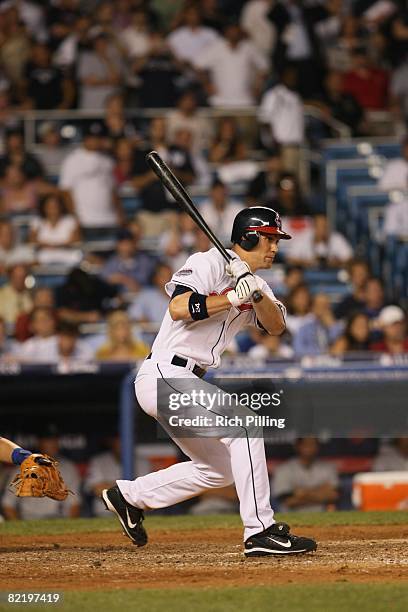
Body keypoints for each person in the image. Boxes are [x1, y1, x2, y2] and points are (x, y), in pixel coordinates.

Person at [101, 206, 317, 557]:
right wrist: (231, 296)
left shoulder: (256, 282)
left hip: (186, 380)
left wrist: (253, 292)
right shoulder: (207, 262)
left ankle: (128, 497)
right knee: (245, 426)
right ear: (248, 237)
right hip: (166, 373)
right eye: (269, 238)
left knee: (220, 469)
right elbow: (179, 307)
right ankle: (260, 530)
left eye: (277, 239)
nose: (275, 246)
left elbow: (276, 326)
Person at [2, 428, 81, 520]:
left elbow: (74, 504)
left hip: (58, 520)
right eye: (48, 440)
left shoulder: (68, 467)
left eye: (55, 440)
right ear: (39, 442)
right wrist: (19, 529)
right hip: (28, 519)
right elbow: (8, 505)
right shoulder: (22, 467)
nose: (52, 444)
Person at [59, 121, 124, 231]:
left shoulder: (108, 160)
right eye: (92, 137)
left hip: (108, 219)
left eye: (99, 138)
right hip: (85, 220)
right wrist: (74, 217)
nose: (96, 141)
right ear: (85, 138)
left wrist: (119, 213)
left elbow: (113, 190)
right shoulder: (72, 160)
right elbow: (65, 191)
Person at [194, 21, 269, 107]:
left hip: (246, 101)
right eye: (231, 31)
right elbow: (197, 65)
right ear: (226, 32)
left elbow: (264, 68)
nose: (234, 33)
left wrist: (258, 87)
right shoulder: (216, 47)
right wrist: (207, 85)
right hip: (219, 101)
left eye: (236, 31)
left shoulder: (249, 47)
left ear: (240, 32)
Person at [258, 65, 304, 177]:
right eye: (289, 76)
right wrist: (273, 148)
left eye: (294, 76)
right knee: (283, 181)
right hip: (281, 147)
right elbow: (264, 121)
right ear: (282, 77)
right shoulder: (273, 95)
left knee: (298, 183)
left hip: (298, 146)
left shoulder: (296, 96)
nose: (292, 78)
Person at [273, 438, 339, 512]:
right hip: (291, 516)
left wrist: (302, 493)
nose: (309, 447)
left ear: (318, 447)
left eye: (312, 444)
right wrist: (321, 492)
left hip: (322, 516)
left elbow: (334, 496)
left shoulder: (328, 467)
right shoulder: (283, 469)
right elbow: (288, 501)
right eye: (305, 444)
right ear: (297, 446)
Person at [29, 193, 82, 266]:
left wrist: (51, 245)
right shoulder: (38, 221)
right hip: (44, 255)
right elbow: (32, 241)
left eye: (55, 205)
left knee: (78, 258)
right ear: (44, 207)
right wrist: (57, 245)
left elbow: (75, 241)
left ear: (61, 206)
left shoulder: (70, 220)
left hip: (68, 254)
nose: (53, 208)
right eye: (49, 206)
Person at [100, 228, 157, 294]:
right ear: (117, 245)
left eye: (127, 244)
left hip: (142, 296)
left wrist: (125, 280)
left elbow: (143, 279)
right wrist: (121, 279)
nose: (125, 248)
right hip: (120, 298)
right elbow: (104, 277)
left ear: (133, 244)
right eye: (122, 244)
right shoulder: (112, 261)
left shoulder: (144, 260)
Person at [286, 213, 353, 268]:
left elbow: (350, 258)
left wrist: (336, 262)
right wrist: (307, 262)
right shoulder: (303, 238)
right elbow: (290, 259)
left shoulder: (336, 238)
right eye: (320, 226)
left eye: (325, 226)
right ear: (314, 227)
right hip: (307, 274)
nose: (323, 230)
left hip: (331, 273)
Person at [77, 30, 123, 110]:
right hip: (91, 105)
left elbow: (117, 80)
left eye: (104, 43)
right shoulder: (86, 57)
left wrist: (106, 60)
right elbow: (88, 81)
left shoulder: (115, 58)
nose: (101, 45)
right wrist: (109, 81)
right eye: (98, 43)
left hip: (111, 107)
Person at [293, 293, 343, 357]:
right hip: (312, 363)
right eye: (319, 306)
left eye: (325, 306)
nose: (322, 309)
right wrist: (323, 352)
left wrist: (331, 326)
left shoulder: (338, 327)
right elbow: (298, 350)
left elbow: (342, 346)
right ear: (313, 308)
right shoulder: (304, 329)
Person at [200, 179, 242, 244]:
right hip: (211, 247)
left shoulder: (238, 209)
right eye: (216, 193)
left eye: (221, 193)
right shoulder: (204, 209)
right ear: (211, 194)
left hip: (233, 246)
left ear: (226, 193)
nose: (219, 196)